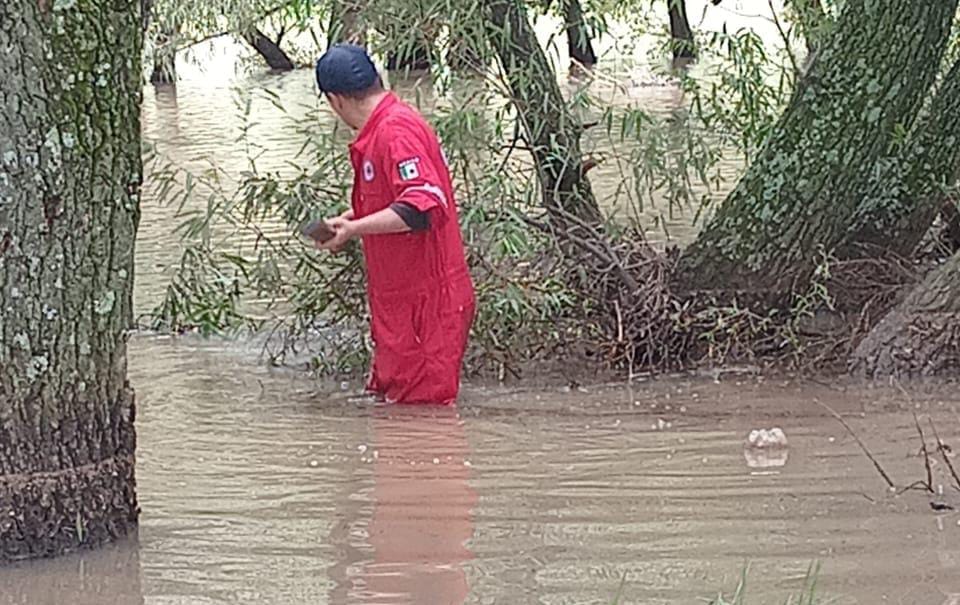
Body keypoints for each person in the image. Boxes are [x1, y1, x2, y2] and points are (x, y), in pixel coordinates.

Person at [312, 43, 475, 405]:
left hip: (426, 306)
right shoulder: (382, 130)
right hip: (402, 307)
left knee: (424, 421)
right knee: (397, 418)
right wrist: (350, 218)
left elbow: (423, 207)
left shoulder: (395, 130)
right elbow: (396, 200)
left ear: (335, 100)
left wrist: (353, 230)